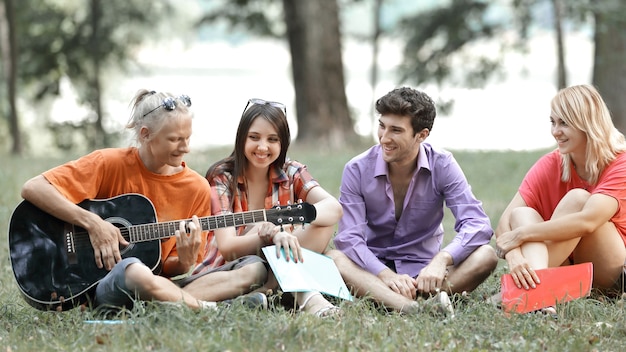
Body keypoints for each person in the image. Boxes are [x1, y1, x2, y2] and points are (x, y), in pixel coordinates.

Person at [20, 89, 267, 311]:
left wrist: (184, 261)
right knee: (135, 269)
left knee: (254, 268)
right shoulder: (108, 163)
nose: (185, 148)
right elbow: (34, 188)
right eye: (175, 139)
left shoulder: (197, 188)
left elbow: (169, 268)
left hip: (159, 285)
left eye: (188, 138)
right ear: (146, 134)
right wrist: (93, 223)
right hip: (109, 284)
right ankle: (210, 310)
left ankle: (166, 307)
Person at [326, 87, 498, 316]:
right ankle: (415, 308)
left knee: (486, 255)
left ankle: (399, 299)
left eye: (396, 130)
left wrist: (442, 260)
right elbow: (349, 239)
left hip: (425, 271)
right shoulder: (357, 169)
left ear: (422, 135)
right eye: (382, 126)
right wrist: (385, 274)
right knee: (334, 258)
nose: (384, 138)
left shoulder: (442, 164)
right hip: (373, 269)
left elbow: (477, 223)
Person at [204, 98, 344, 317]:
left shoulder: (291, 171)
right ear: (242, 138)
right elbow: (228, 248)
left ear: (283, 143)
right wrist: (269, 235)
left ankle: (269, 289)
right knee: (263, 229)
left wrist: (298, 219)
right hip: (238, 267)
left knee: (322, 224)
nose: (262, 147)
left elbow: (334, 209)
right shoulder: (223, 176)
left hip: (277, 261)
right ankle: (307, 299)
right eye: (254, 137)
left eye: (272, 139)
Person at [495, 85, 626, 305]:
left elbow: (588, 221)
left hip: (609, 271)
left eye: (564, 123)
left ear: (587, 123)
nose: (555, 131)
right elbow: (503, 224)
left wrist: (522, 235)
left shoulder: (620, 163)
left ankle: (525, 293)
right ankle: (537, 295)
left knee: (579, 199)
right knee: (521, 213)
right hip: (564, 268)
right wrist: (515, 257)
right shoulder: (551, 163)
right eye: (553, 122)